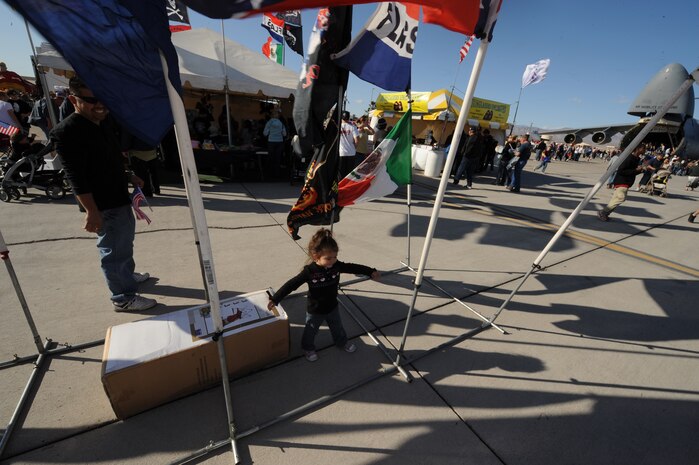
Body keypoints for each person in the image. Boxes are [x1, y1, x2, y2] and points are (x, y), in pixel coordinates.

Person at [50, 76, 157, 312]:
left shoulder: (102, 123)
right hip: (103, 205)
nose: (99, 105)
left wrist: (129, 175)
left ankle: (125, 275)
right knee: (113, 251)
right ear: (73, 99)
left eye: (103, 99)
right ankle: (122, 297)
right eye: (91, 100)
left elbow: (112, 157)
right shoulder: (67, 131)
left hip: (119, 197)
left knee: (123, 245)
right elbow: (75, 176)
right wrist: (91, 211)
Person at [267, 228, 380, 362]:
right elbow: (292, 284)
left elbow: (352, 267)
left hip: (332, 306)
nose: (332, 261)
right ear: (316, 256)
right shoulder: (310, 271)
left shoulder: (336, 266)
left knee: (337, 327)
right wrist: (276, 298)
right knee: (311, 330)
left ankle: (341, 342)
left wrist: (370, 271)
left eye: (335, 257)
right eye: (328, 258)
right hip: (315, 310)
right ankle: (308, 348)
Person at [597, 145, 646, 222]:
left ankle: (605, 213)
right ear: (638, 149)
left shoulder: (636, 159)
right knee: (621, 198)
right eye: (643, 148)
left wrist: (640, 170)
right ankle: (603, 212)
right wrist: (636, 170)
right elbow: (621, 170)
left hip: (626, 182)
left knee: (615, 199)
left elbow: (632, 172)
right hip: (622, 181)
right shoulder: (629, 157)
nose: (645, 150)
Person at [262, 109, 287, 179]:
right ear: (278, 116)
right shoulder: (281, 123)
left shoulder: (269, 123)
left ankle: (270, 173)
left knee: (271, 157)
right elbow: (284, 134)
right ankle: (277, 174)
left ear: (271, 115)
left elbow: (265, 133)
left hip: (271, 141)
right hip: (279, 142)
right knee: (278, 158)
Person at [339, 111, 359, 178]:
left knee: (341, 173)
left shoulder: (338, 126)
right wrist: (354, 148)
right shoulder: (353, 127)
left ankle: (341, 187)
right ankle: (348, 186)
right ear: (348, 117)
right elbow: (357, 140)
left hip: (341, 153)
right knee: (349, 173)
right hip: (351, 153)